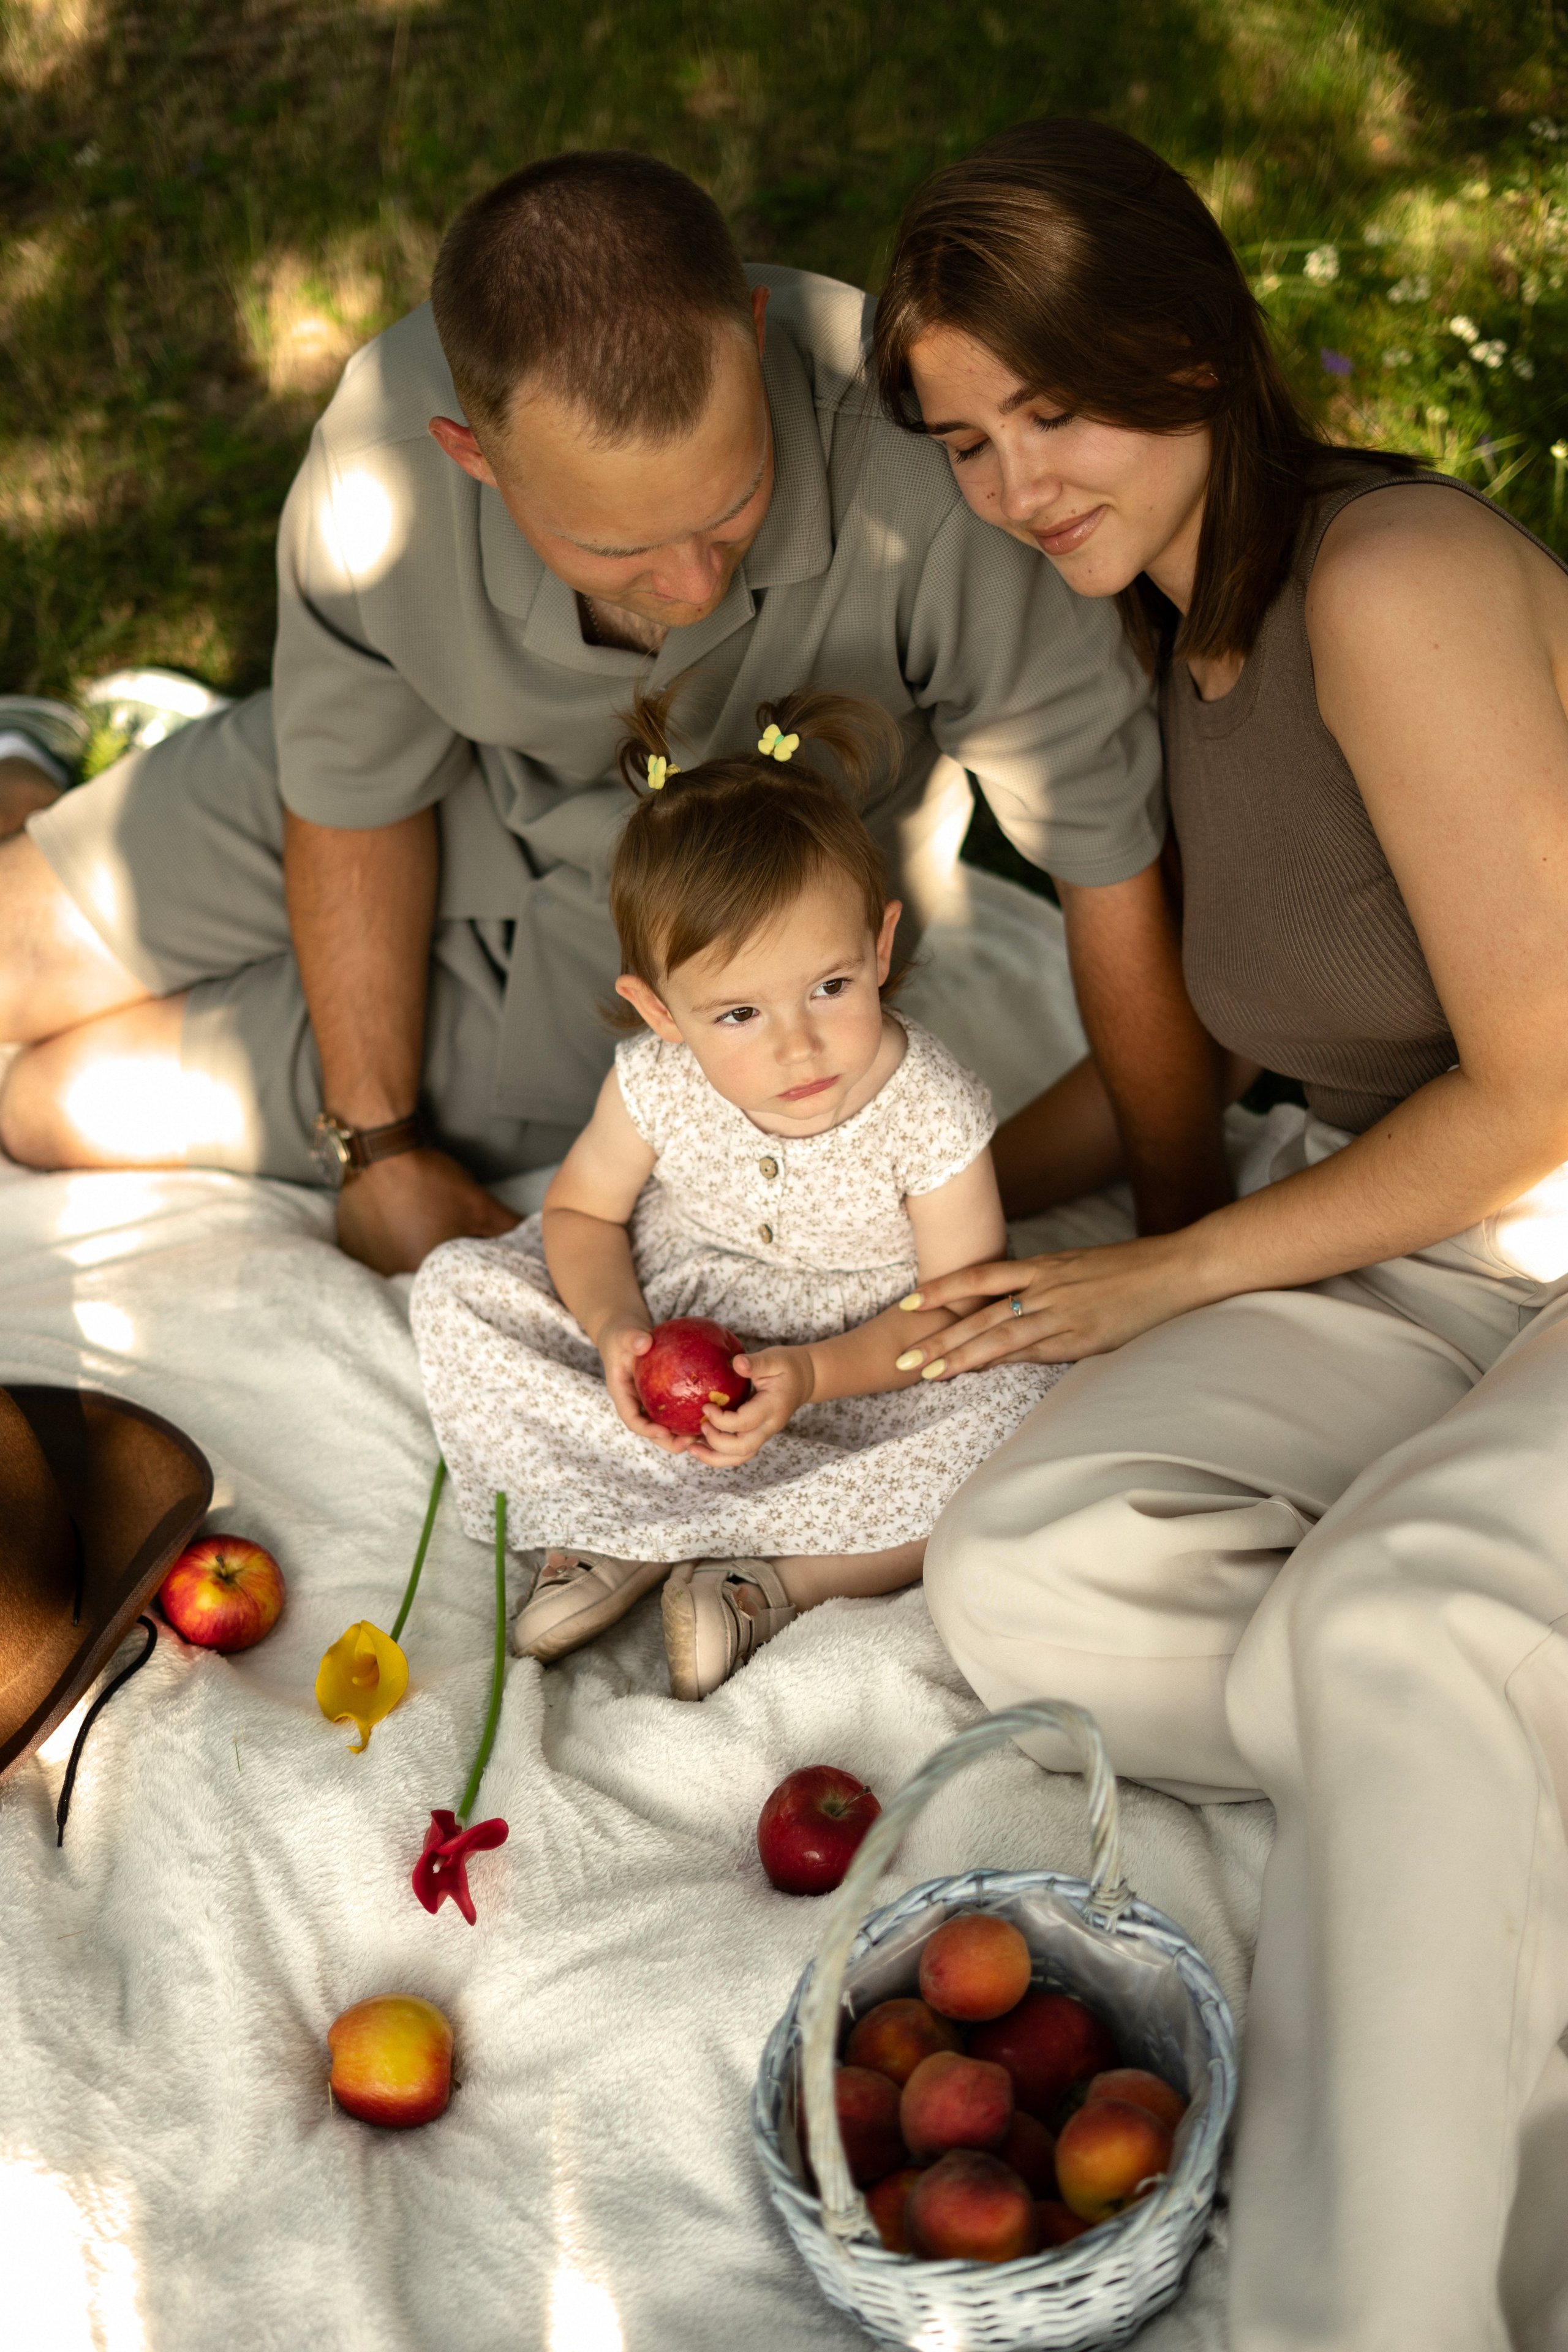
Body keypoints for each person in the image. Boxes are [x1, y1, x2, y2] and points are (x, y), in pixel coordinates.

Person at [871, 118, 1568, 2352]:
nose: (1013, 485)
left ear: (1186, 344)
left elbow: (1546, 1078)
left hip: (1537, 1179)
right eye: (965, 442)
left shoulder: (1390, 580)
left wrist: (1164, 1271)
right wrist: (930, 1209)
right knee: (1031, 1561)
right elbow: (1224, 1037)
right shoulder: (1160, 654)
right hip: (1441, 1247)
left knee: (1393, 1618)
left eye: (1050, 410)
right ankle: (1472, 1757)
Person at [0, 149, 1222, 1277]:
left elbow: (1106, 862)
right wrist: (372, 1148)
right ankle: (32, 766)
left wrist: (1181, 1256)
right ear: (472, 457)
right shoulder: (378, 471)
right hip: (422, 795)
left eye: (732, 506)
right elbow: (354, 793)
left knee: (45, 1107)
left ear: (754, 338)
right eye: (615, 548)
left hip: (666, 938)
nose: (692, 586)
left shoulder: (937, 472)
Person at [410, 688, 1064, 1698]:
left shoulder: (931, 1108)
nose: (798, 1045)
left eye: (831, 988)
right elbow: (582, 1214)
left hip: (864, 1365)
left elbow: (954, 1309)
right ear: (660, 1011)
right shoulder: (657, 1080)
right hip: (677, 1312)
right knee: (458, 1289)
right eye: (739, 1014)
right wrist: (617, 1329)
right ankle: (605, 1529)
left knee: (1024, 1409)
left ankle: (771, 1580)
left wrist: (813, 1376)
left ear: (881, 947)